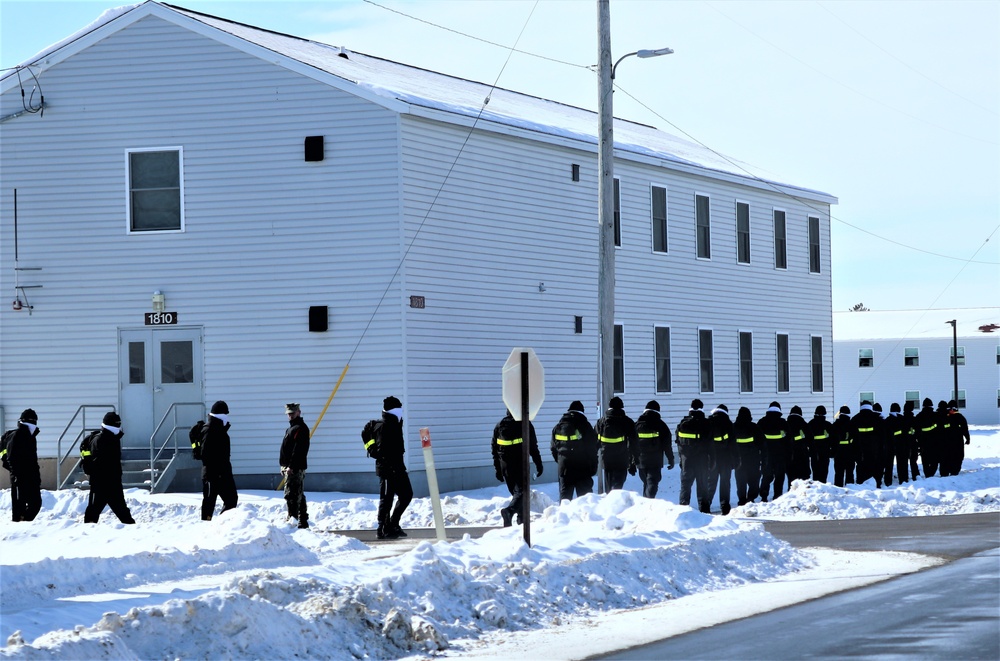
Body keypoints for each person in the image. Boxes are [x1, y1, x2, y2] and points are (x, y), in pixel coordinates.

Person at [363, 396, 413, 538]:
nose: (401, 411)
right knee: (387, 498)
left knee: (406, 494)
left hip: (398, 467)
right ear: (392, 410)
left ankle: (393, 524)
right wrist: (372, 450)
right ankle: (382, 528)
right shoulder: (384, 426)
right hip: (387, 469)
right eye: (399, 408)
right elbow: (371, 441)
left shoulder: (395, 423)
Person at [492, 408, 543, 527]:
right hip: (520, 463)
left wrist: (498, 469)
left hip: (505, 465)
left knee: (518, 494)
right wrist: (538, 464)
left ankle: (521, 522)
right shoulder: (525, 424)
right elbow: (533, 447)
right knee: (522, 492)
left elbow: (494, 448)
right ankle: (509, 512)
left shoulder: (500, 425)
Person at [83, 411, 135, 524]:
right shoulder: (101, 440)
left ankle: (134, 537)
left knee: (124, 515)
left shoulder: (113, 438)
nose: (119, 426)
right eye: (117, 424)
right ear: (110, 425)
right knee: (92, 516)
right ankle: (86, 538)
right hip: (101, 485)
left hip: (113, 483)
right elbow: (98, 464)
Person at [550, 400, 599, 501]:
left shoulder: (558, 427)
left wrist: (560, 461)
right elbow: (592, 448)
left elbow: (553, 448)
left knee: (565, 501)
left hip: (565, 469)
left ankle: (562, 516)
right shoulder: (585, 426)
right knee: (585, 503)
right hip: (583, 469)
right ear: (582, 411)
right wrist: (593, 467)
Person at [200, 400, 238, 521]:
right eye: (225, 415)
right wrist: (217, 469)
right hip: (213, 474)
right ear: (220, 416)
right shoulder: (210, 430)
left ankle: (222, 525)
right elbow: (205, 455)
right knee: (209, 503)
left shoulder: (219, 429)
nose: (227, 417)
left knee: (231, 499)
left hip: (223, 473)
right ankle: (206, 527)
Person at [6, 409, 42, 522]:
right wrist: (16, 475)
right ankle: (19, 531)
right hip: (19, 478)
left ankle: (25, 525)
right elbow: (11, 457)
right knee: (19, 508)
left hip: (32, 478)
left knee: (36, 503)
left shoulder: (32, 437)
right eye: (32, 421)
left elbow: (33, 460)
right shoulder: (17, 435)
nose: (34, 424)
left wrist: (37, 477)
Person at [675, 399, 712, 512]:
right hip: (701, 461)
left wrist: (682, 459)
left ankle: (683, 510)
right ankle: (705, 513)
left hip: (687, 460)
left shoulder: (682, 423)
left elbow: (678, 442)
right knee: (702, 487)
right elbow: (711, 445)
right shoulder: (706, 424)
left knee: (685, 486)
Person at [596, 397, 637, 493]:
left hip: (606, 458)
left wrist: (592, 459)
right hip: (621, 458)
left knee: (609, 486)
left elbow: (594, 441)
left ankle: (610, 502)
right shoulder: (627, 422)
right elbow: (634, 443)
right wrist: (633, 462)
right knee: (618, 485)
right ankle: (615, 502)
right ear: (622, 407)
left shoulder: (601, 422)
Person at [634, 400, 674, 499]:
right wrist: (671, 459)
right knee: (652, 483)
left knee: (646, 483)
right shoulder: (661, 425)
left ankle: (645, 504)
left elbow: (631, 444)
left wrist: (631, 461)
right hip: (655, 460)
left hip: (641, 461)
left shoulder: (636, 425)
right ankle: (648, 503)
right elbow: (667, 444)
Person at [280, 402, 310, 529]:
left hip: (294, 468)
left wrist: (291, 466)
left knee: (291, 494)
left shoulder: (300, 428)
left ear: (299, 412)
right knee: (298, 493)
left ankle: (293, 520)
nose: (290, 416)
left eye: (292, 413)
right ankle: (302, 520)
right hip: (290, 467)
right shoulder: (292, 428)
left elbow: (299, 450)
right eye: (289, 414)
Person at [757, 402, 790, 502]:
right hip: (780, 455)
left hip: (766, 455)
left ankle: (763, 495)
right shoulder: (783, 423)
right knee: (779, 476)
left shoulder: (762, 422)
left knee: (766, 475)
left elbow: (758, 439)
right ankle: (777, 495)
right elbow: (788, 441)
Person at [706, 404, 734, 514]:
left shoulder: (708, 423)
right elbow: (733, 444)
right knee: (725, 484)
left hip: (711, 459)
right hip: (726, 459)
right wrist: (735, 459)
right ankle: (725, 508)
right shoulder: (728, 424)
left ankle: (706, 506)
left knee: (710, 483)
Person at [732, 406, 761, 505]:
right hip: (753, 460)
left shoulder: (733, 427)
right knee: (754, 480)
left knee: (740, 482)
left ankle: (742, 500)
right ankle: (751, 498)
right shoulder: (754, 427)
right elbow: (762, 444)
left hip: (738, 460)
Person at [852, 401, 884, 487]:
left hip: (859, 450)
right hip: (874, 450)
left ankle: (860, 484)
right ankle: (876, 484)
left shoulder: (855, 419)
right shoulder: (877, 419)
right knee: (875, 467)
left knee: (861, 467)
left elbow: (852, 436)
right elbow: (882, 436)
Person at [914, 398, 941, 478]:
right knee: (934, 460)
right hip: (934, 442)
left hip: (923, 442)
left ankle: (927, 475)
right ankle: (931, 473)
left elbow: (916, 431)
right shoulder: (936, 415)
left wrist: (918, 441)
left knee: (925, 460)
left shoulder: (919, 416)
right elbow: (939, 429)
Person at [786, 405, 812, 487]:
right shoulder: (804, 425)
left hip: (789, 455)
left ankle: (791, 494)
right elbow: (810, 440)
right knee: (804, 478)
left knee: (791, 478)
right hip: (802, 455)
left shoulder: (786, 424)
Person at [943, 401, 970, 476]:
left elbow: (965, 429)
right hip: (948, 442)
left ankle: (955, 471)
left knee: (958, 456)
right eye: (950, 409)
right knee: (949, 456)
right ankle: (949, 471)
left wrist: (967, 438)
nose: (951, 410)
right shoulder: (945, 417)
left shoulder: (960, 418)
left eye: (953, 409)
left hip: (957, 441)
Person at [806, 405, 833, 483]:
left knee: (815, 472)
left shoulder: (810, 424)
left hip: (814, 452)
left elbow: (807, 439)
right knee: (824, 472)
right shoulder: (827, 425)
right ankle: (823, 488)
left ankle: (816, 488)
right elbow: (833, 439)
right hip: (825, 452)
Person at [831, 405, 854, 487]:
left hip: (838, 452)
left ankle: (838, 488)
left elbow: (832, 439)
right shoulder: (851, 425)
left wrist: (832, 451)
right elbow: (856, 438)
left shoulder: (834, 425)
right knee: (849, 473)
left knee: (838, 473)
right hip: (850, 451)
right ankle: (850, 490)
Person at [902, 400, 920, 481]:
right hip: (912, 442)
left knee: (904, 461)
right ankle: (915, 475)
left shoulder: (901, 419)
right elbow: (917, 432)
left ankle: (904, 478)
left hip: (903, 443)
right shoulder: (914, 419)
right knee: (913, 461)